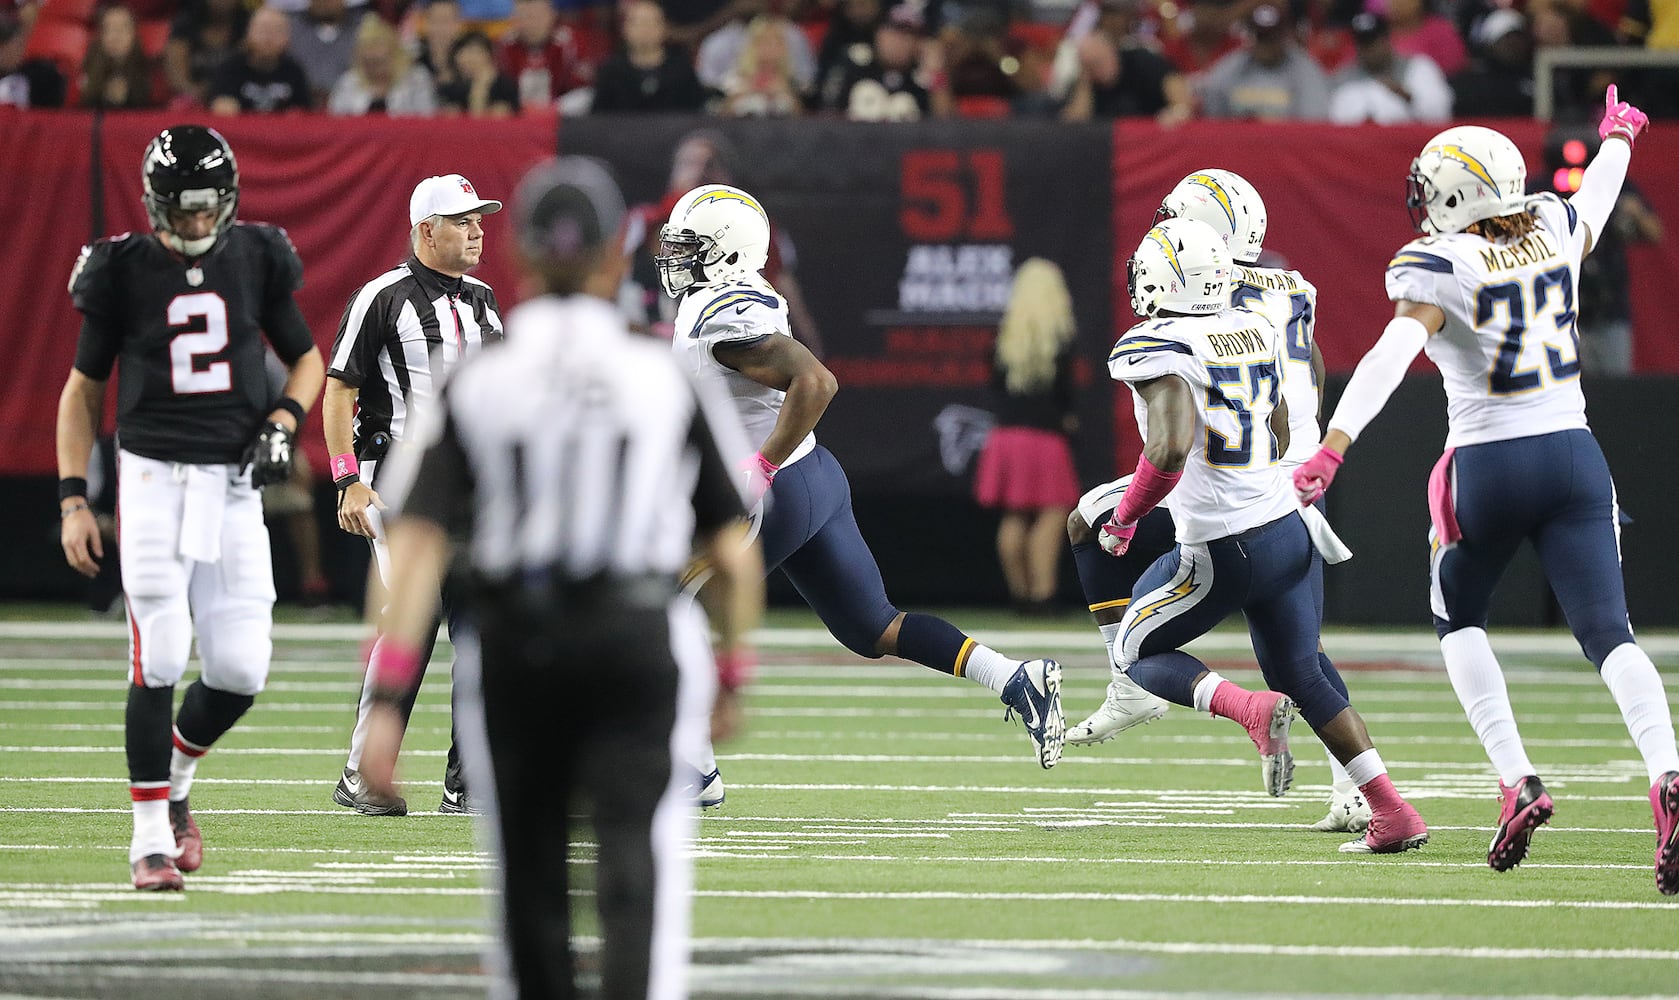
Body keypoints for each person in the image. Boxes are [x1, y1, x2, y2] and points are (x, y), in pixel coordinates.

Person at [356, 156, 763, 1000]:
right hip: (635, 635)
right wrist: (730, 668)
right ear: (617, 256)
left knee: (529, 874)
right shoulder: (656, 371)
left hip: (519, 641)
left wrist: (390, 701)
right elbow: (730, 547)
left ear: (526, 257)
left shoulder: (479, 376)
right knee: (634, 863)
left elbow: (421, 546)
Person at [1294, 92, 1679, 888]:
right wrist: (1617, 136)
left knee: (1456, 617)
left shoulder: (1442, 262)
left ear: (1451, 195)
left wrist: (1333, 447)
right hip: (1576, 456)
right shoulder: (1553, 224)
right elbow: (1597, 195)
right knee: (1610, 634)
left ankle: (1516, 778)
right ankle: (1667, 771)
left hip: (1489, 463)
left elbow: (1390, 353)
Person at [660, 183, 1067, 809]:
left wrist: (758, 467)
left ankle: (696, 767)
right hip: (816, 474)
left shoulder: (721, 311)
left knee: (666, 608)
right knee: (873, 627)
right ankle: (1014, 678)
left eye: (690, 246)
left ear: (726, 252)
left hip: (777, 492)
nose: (676, 258)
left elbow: (816, 380)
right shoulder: (731, 300)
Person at [1080, 217, 1428, 854]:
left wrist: (1127, 518)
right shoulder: (1258, 324)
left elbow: (1167, 450)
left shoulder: (1160, 343)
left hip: (1223, 546)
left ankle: (1248, 709)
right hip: (1285, 527)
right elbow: (1283, 417)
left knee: (1133, 652)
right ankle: (1391, 809)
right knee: (1304, 671)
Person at [55, 125, 325, 890]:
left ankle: (172, 784)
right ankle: (147, 842)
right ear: (153, 204)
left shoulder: (257, 256)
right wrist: (76, 497)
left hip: (234, 485)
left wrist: (283, 421)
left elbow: (305, 358)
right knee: (164, 651)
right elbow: (82, 393)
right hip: (151, 479)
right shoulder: (122, 269)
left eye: (207, 209)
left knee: (240, 667)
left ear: (229, 201)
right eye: (181, 209)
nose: (196, 224)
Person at [324, 172, 505, 815]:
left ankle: (469, 778)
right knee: (412, 623)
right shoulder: (382, 297)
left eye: (480, 218)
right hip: (399, 472)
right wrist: (348, 476)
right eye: (463, 220)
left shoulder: (485, 301)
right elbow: (339, 388)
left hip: (475, 481)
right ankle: (360, 772)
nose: (479, 230)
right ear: (426, 229)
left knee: (483, 630)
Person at [972, 258, 1081, 617]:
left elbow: (995, 392)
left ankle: (1020, 596)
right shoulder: (1060, 343)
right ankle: (1043, 596)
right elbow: (1065, 400)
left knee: (1015, 516)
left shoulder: (1003, 341)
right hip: (1045, 440)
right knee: (1052, 516)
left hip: (1005, 439)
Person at [1198, 4, 1330, 120]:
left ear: (1285, 35)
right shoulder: (1231, 67)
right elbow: (1212, 114)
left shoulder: (1305, 71)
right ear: (1251, 37)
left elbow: (1313, 122)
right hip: (1239, 143)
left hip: (1288, 145)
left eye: (1272, 38)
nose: (1266, 46)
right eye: (1261, 38)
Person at [1328, 12, 1452, 124]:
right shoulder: (1344, 78)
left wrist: (1408, 96)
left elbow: (1442, 114)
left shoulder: (1418, 67)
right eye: (1363, 44)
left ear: (1387, 40)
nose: (1368, 50)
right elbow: (1334, 122)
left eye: (1373, 42)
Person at [589, 0, 707, 113]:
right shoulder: (611, 71)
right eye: (638, 23)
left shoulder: (682, 69)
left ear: (664, 28)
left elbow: (697, 115)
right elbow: (599, 118)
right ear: (625, 29)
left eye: (651, 23)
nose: (645, 30)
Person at [207, 5, 314, 114]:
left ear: (288, 38)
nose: (268, 38)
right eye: (263, 30)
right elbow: (218, 104)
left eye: (277, 31)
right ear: (248, 33)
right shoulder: (229, 69)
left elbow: (305, 111)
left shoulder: (294, 71)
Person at [328, 13, 438, 115]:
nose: (375, 68)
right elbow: (335, 124)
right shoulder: (347, 84)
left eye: (379, 61)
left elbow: (428, 119)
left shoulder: (416, 80)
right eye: (369, 63)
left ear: (394, 55)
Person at [80, 5, 161, 110]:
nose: (115, 36)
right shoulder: (87, 69)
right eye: (108, 29)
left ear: (135, 34)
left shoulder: (152, 73)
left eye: (122, 28)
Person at [438, 29, 518, 117]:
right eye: (464, 52)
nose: (470, 58)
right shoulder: (450, 88)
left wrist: (482, 85)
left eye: (476, 52)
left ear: (489, 56)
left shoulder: (505, 86)